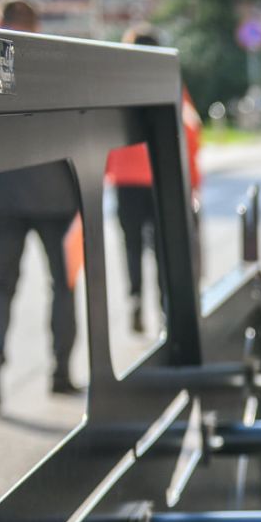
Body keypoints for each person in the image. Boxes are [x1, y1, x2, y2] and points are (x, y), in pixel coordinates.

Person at [0, 0, 82, 397]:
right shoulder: (52, 63)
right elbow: (75, 130)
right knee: (63, 285)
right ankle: (60, 371)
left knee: (2, 284)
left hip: (0, 194)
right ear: (36, 25)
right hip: (56, 196)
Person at [104, 25, 203, 333]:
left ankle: (134, 299)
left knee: (131, 246)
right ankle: (166, 311)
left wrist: (108, 169)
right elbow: (190, 128)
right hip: (163, 177)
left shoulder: (116, 82)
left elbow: (104, 130)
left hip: (125, 181)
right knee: (165, 247)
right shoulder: (167, 77)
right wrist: (192, 180)